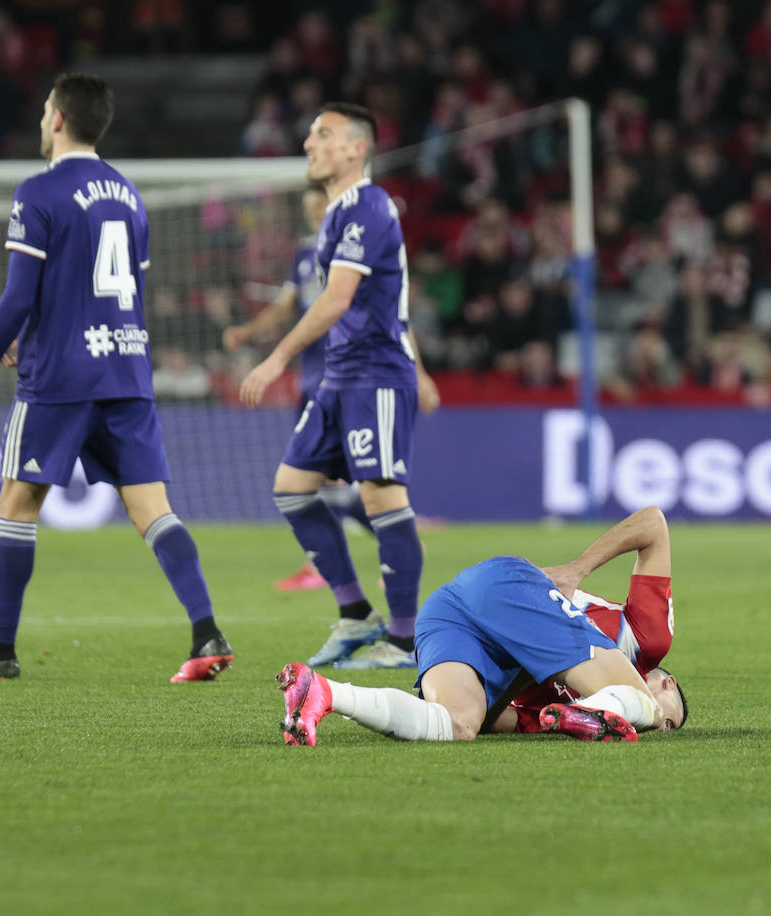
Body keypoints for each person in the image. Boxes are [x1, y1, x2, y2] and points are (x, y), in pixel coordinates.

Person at [0, 73, 234, 684]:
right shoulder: (129, 195)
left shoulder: (38, 192)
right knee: (153, 509)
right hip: (126, 370)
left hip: (61, 379)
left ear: (59, 120)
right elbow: (124, 294)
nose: (43, 119)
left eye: (46, 109)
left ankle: (0, 650)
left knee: (17, 503)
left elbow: (19, 295)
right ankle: (207, 633)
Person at [239, 102, 433, 670]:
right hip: (340, 375)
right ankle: (355, 614)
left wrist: (276, 357)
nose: (308, 143)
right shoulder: (338, 214)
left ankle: (402, 640)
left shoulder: (369, 207)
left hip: (374, 373)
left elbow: (337, 299)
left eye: (322, 134)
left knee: (381, 496)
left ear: (356, 149)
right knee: (292, 487)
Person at [277, 506, 688, 745]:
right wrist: (577, 569)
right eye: (669, 722)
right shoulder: (646, 639)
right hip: (507, 586)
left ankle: (324, 693)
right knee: (639, 703)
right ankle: (629, 705)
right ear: (667, 683)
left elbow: (493, 720)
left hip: (449, 611)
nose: (658, 729)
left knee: (458, 722)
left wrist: (518, 685)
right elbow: (653, 523)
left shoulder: (548, 710)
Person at [225, 184, 391, 592]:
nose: (314, 215)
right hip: (311, 377)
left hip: (346, 375)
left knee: (319, 474)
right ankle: (392, 534)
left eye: (321, 208)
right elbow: (285, 307)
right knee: (328, 476)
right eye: (310, 209)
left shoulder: (353, 254)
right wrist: (249, 332)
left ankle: (339, 559)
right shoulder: (305, 256)